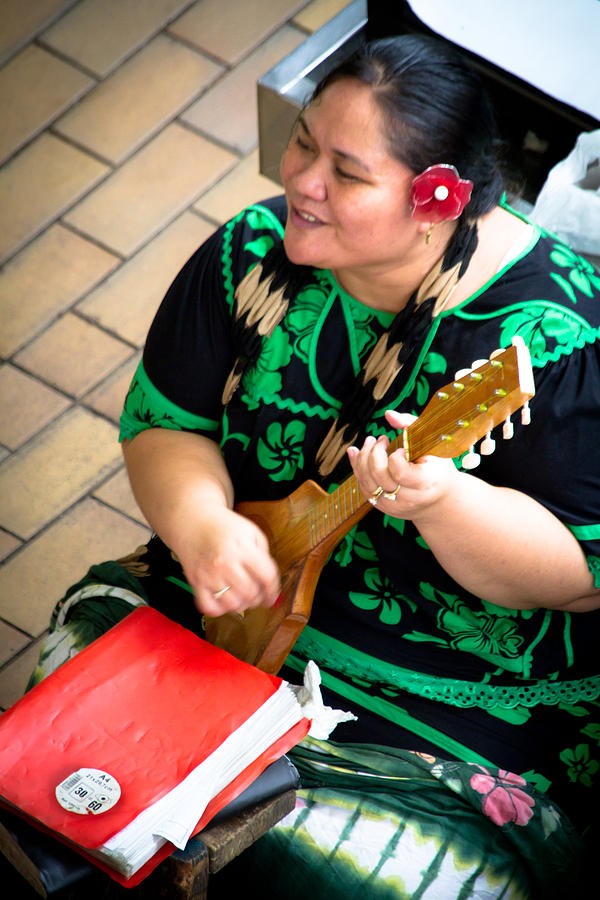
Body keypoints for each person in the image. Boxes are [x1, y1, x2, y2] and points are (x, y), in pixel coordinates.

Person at [28, 34, 600, 898]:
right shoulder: (250, 257)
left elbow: (579, 575)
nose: (301, 182)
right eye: (303, 142)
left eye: (346, 171)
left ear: (438, 198)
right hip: (237, 608)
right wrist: (202, 527)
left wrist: (444, 503)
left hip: (449, 687)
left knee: (370, 874)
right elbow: (165, 426)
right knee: (67, 693)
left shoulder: (557, 342)